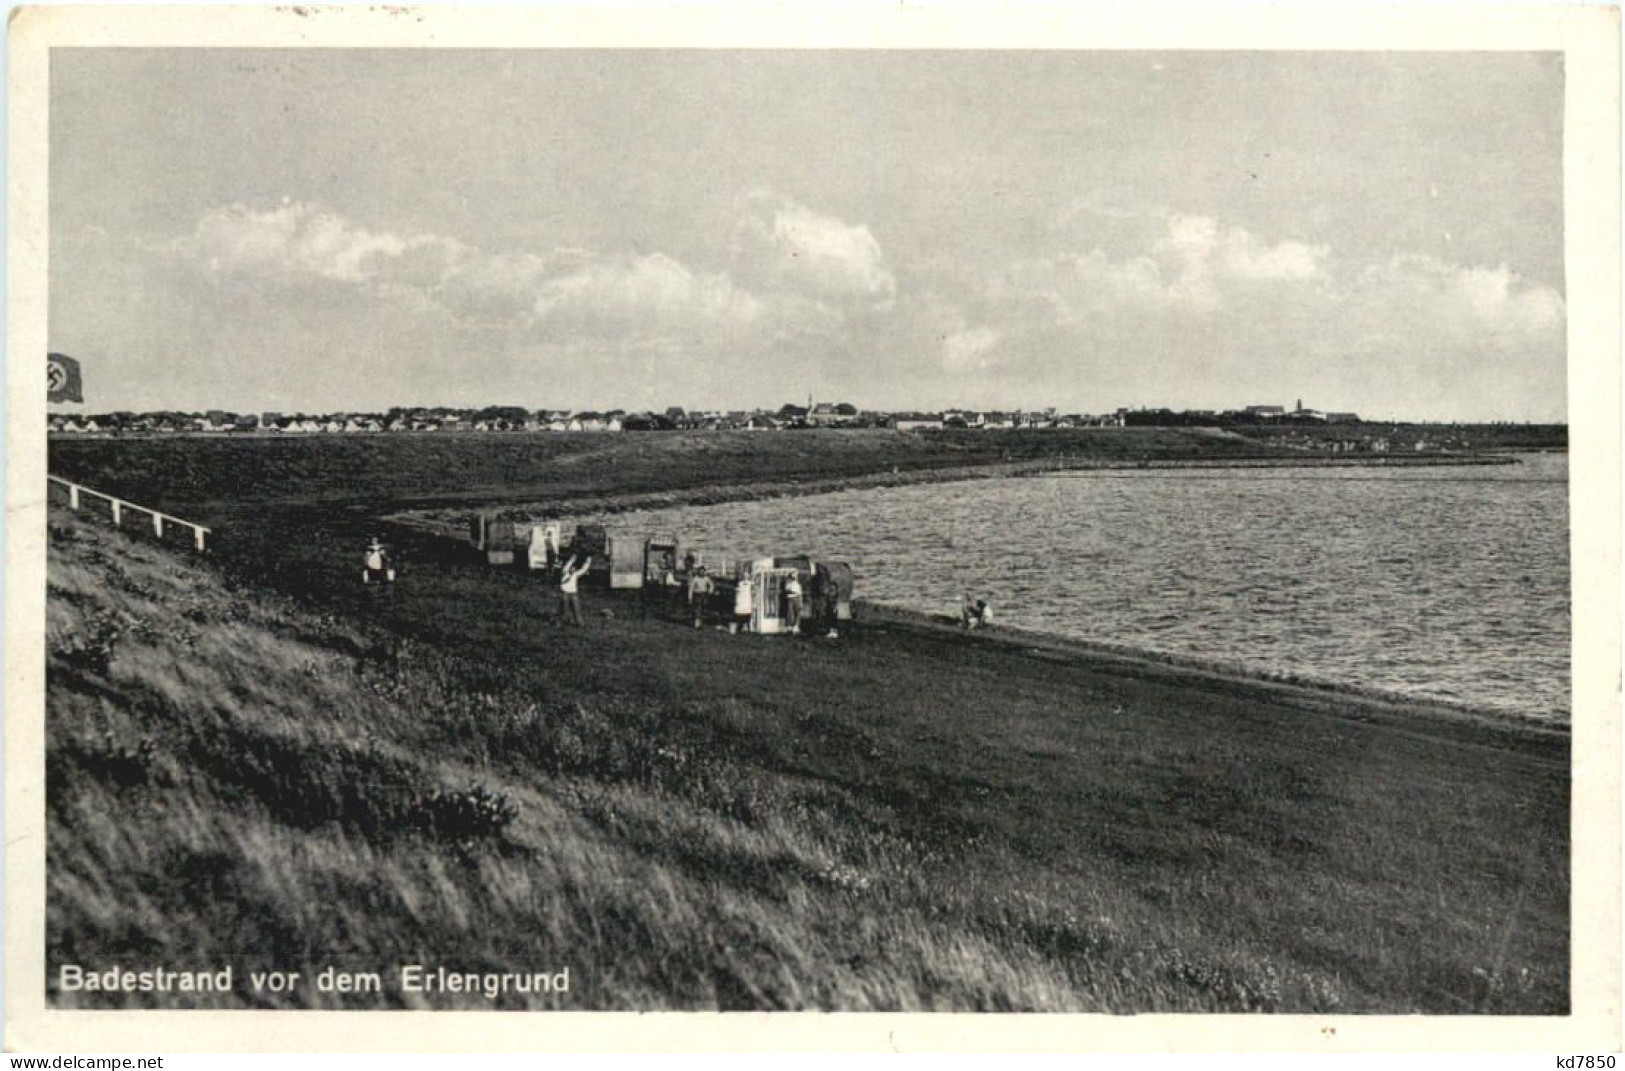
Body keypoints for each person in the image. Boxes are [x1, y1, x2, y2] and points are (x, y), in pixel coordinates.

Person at [557, 555, 591, 627]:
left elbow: (583, 570)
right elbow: (567, 566)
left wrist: (588, 562)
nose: (573, 569)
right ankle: (561, 622)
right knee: (564, 609)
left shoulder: (575, 574)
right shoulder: (565, 573)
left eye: (574, 568)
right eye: (572, 568)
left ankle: (579, 623)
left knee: (576, 609)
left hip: (573, 594)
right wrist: (572, 559)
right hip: (565, 593)